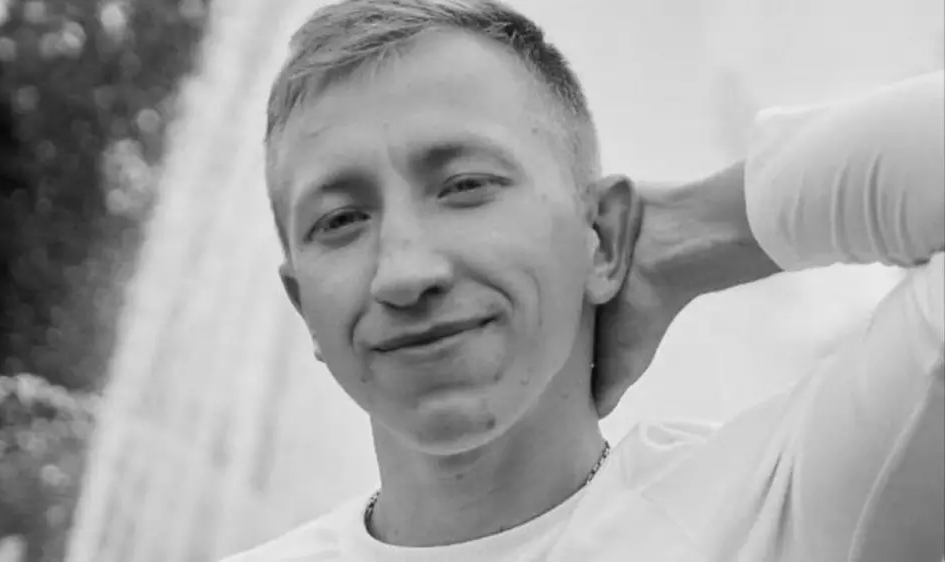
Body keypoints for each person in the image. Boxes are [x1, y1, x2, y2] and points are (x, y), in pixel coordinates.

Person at [225, 0, 944, 560]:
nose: (404, 273)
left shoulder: (785, 512)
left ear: (601, 235)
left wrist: (695, 232)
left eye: (466, 185)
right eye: (341, 220)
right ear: (304, 307)